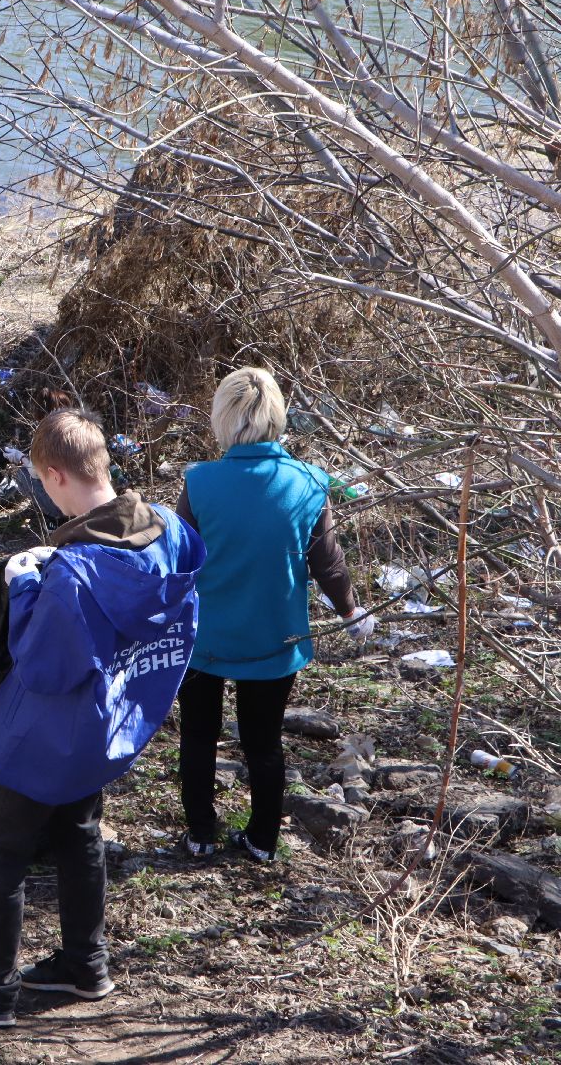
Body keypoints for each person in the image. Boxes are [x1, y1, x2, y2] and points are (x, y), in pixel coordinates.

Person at [0, 408, 204, 1028]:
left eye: (41, 482)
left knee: (4, 853)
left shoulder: (72, 571)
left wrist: (25, 586)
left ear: (56, 474)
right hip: (111, 723)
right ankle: (86, 966)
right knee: (79, 833)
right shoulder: (170, 530)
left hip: (45, 738)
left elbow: (41, 666)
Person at [174, 367, 375, 863]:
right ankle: (262, 839)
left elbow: (177, 561)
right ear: (277, 418)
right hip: (274, 641)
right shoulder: (308, 483)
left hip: (204, 639)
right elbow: (328, 562)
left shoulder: (199, 482)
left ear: (223, 418)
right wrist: (351, 610)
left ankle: (200, 832)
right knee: (263, 742)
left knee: (198, 737)